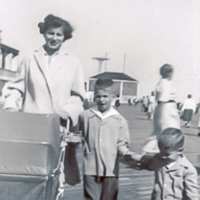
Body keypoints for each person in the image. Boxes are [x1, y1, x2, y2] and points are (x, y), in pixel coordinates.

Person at [3, 14, 85, 184]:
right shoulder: (29, 58)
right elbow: (16, 88)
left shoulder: (73, 62)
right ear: (43, 33)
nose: (54, 38)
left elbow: (78, 97)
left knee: (56, 176)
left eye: (59, 34)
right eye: (50, 33)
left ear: (65, 37)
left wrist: (69, 110)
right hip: (31, 128)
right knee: (31, 174)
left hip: (58, 127)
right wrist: (11, 107)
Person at [78, 78, 140, 200]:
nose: (101, 100)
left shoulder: (120, 120)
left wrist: (127, 153)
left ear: (113, 97)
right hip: (90, 167)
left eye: (105, 96)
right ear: (94, 96)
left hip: (111, 170)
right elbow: (80, 136)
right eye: (98, 96)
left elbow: (122, 144)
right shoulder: (86, 116)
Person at [138, 128, 199, 200]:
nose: (163, 156)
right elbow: (148, 163)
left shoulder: (188, 170)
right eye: (161, 152)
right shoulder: (158, 159)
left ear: (180, 151)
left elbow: (192, 194)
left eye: (167, 154)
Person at [143, 64, 180, 153]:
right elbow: (163, 100)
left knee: (159, 133)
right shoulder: (165, 83)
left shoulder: (162, 82)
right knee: (168, 131)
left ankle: (148, 150)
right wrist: (161, 118)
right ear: (169, 73)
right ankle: (165, 151)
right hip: (167, 110)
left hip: (165, 108)